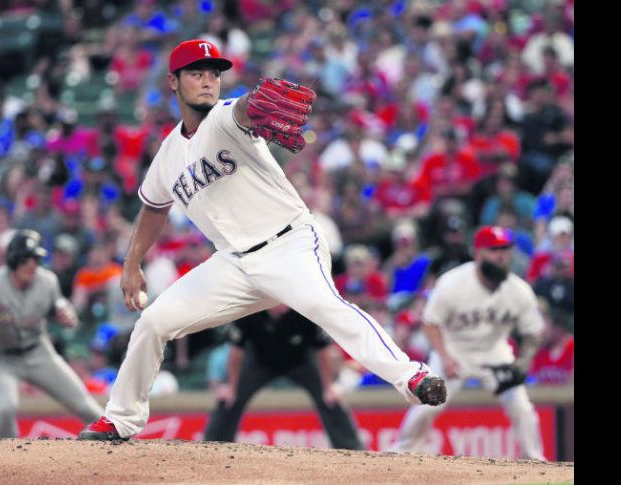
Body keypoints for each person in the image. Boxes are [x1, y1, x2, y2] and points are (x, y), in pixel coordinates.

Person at [78, 39, 446, 441]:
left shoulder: (223, 118)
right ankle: (121, 419)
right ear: (173, 81)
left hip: (288, 243)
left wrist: (254, 103)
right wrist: (132, 264)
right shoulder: (167, 155)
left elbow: (244, 109)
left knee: (326, 307)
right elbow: (153, 208)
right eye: (196, 73)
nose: (208, 81)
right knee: (153, 322)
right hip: (233, 263)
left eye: (214, 73)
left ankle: (412, 376)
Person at [389, 226, 546, 460]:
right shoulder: (453, 282)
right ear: (478, 253)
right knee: (427, 404)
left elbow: (533, 333)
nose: (501, 255)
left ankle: (535, 460)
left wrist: (523, 363)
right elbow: (431, 323)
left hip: (495, 354)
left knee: (521, 406)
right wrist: (445, 358)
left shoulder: (519, 290)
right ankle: (401, 455)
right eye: (494, 249)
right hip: (454, 350)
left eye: (505, 249)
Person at [0, 230, 104, 438]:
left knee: (84, 404)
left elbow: (59, 304)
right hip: (0, 357)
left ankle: (120, 447)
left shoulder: (47, 280)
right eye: (25, 259)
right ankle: (11, 456)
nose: (31, 265)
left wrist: (64, 312)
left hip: (38, 352)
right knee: (4, 409)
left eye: (35, 259)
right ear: (13, 260)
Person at [203, 305, 365, 450]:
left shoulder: (305, 308)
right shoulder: (250, 309)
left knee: (331, 398)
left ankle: (353, 450)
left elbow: (323, 350)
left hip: (301, 360)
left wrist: (329, 387)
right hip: (259, 360)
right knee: (228, 399)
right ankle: (212, 449)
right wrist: (231, 387)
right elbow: (236, 351)